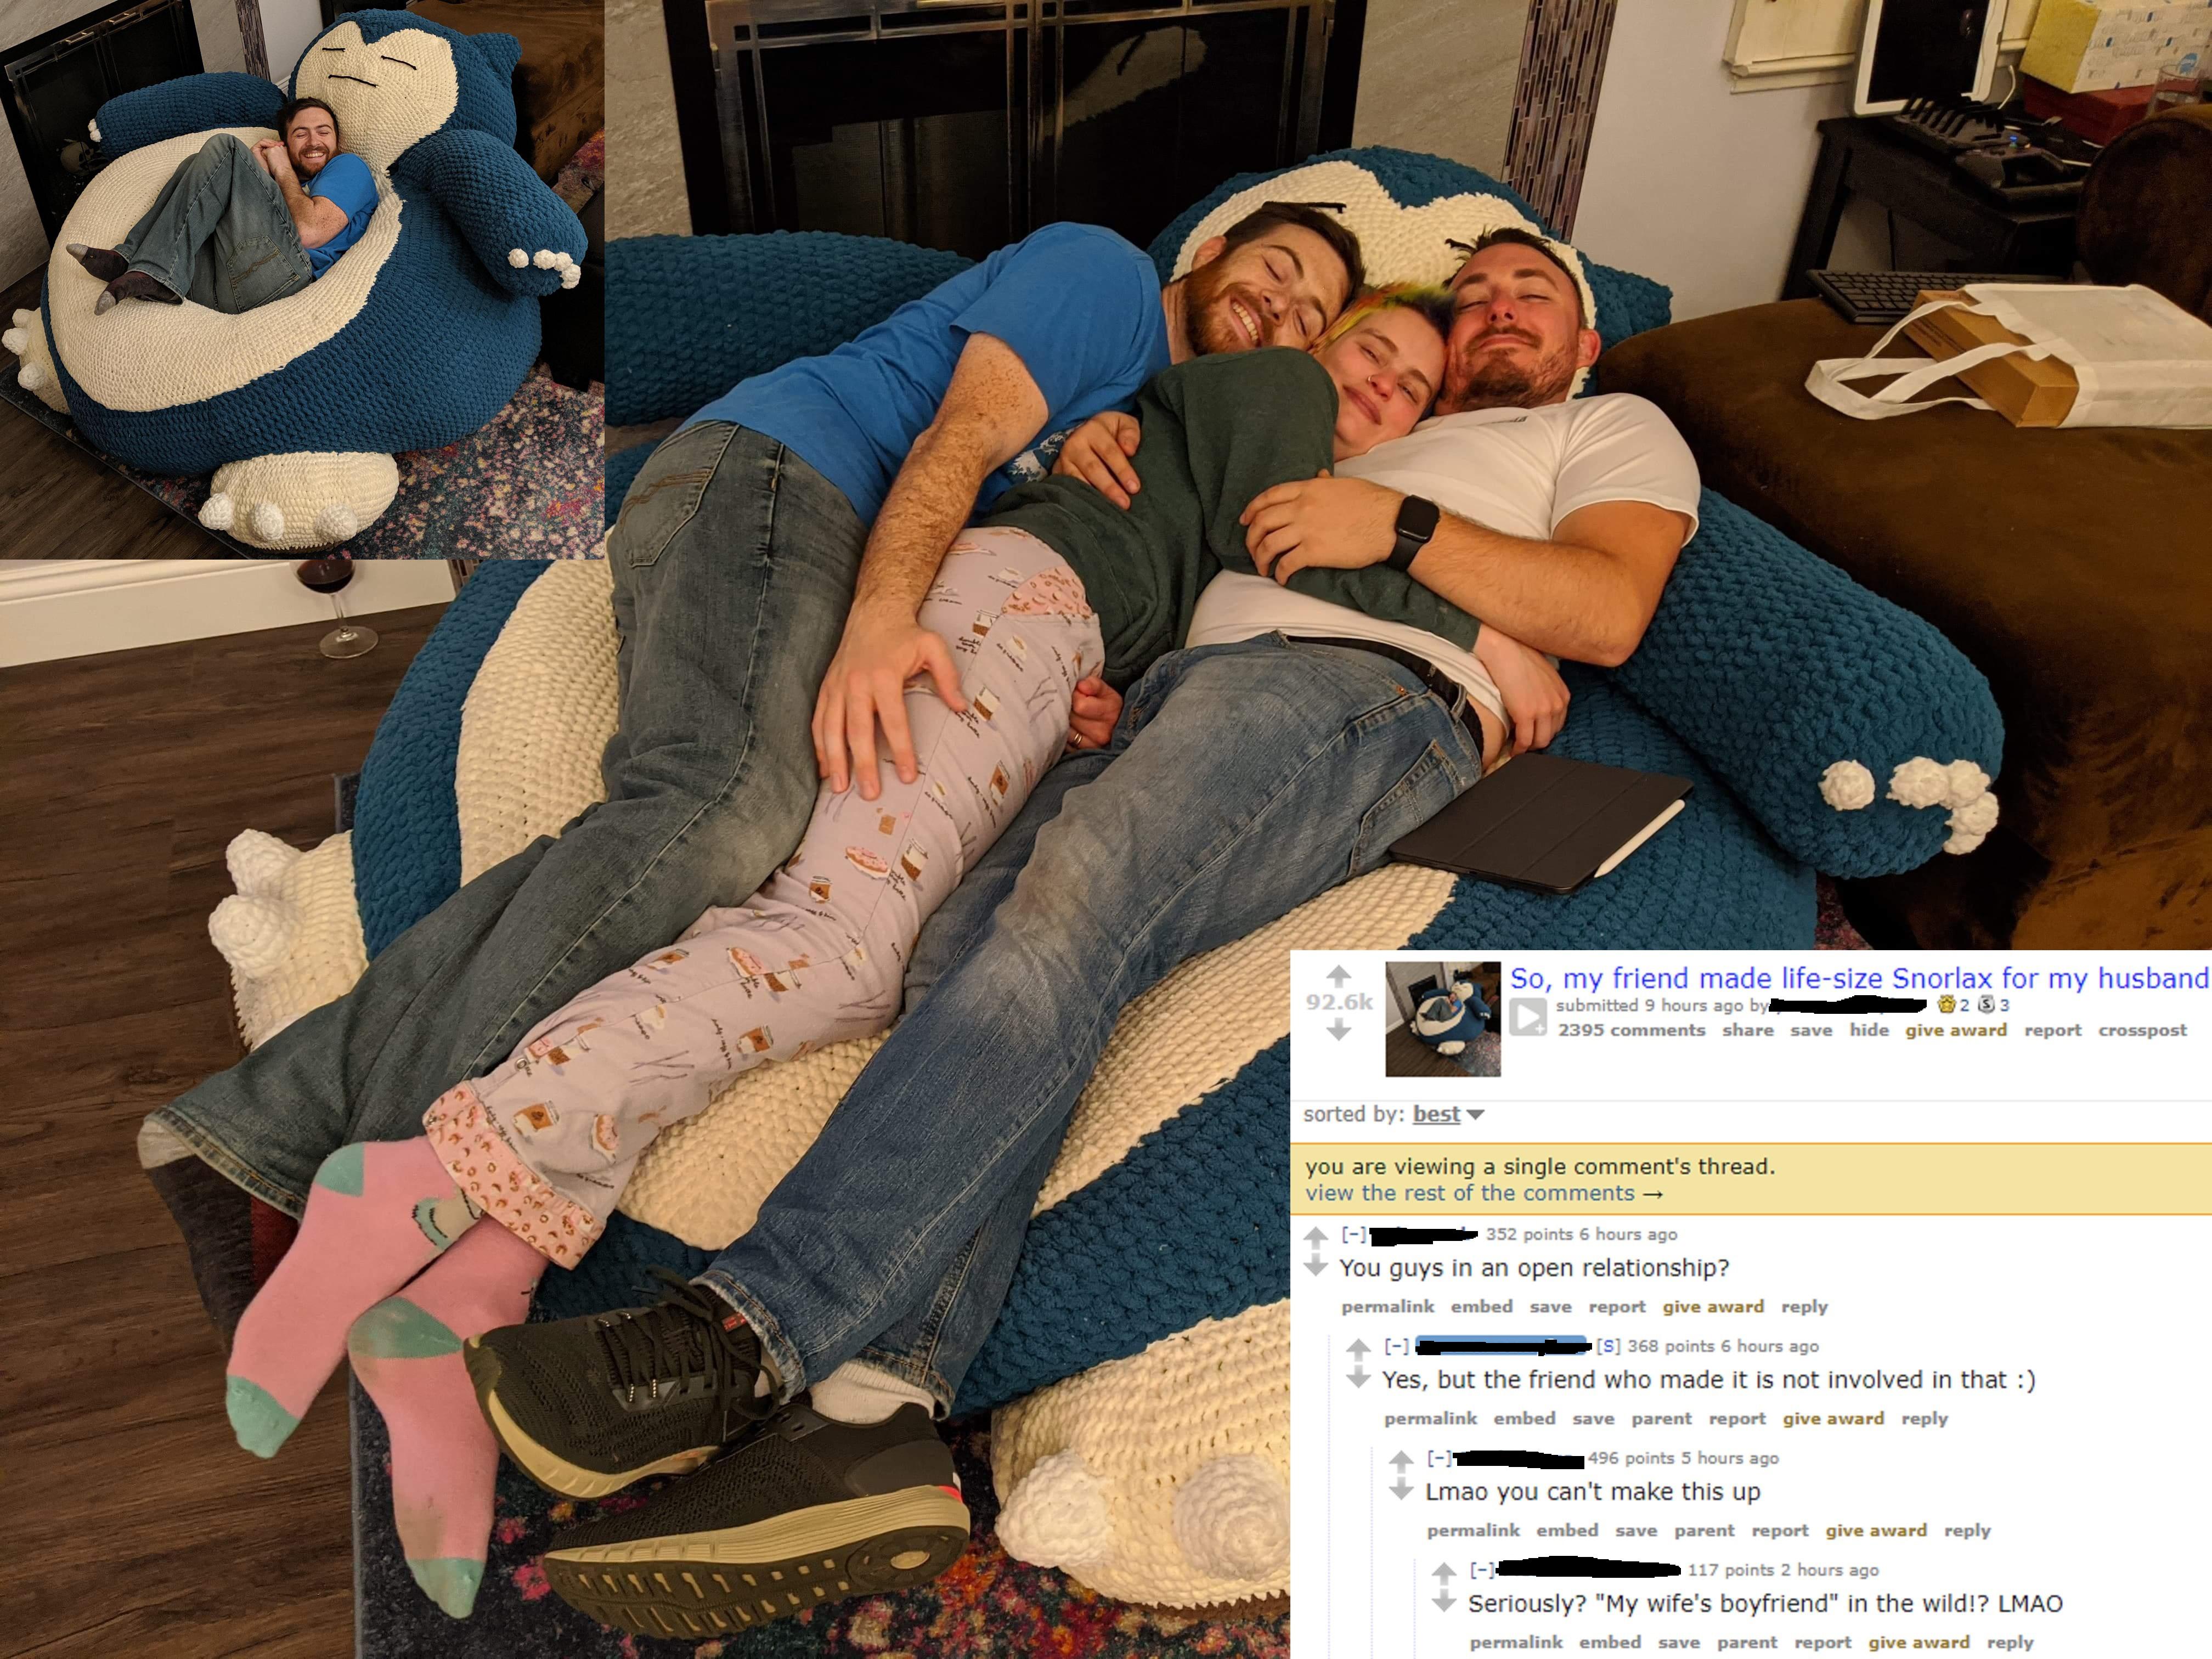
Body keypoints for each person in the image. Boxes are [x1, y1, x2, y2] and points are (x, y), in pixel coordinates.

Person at [460, 226, 1700, 1633]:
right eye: (1464, 296)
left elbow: (1607, 609)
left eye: (1528, 292)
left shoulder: (1603, 429)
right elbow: (1190, 506)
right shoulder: (1348, 430)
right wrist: (1105, 455)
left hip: (1347, 692)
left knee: (1080, 898)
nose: (1491, 311)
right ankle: (876, 1425)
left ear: (1586, 339)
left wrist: (1411, 546)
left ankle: (749, 1327)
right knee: (960, 952)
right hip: (1182, 693)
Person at [219, 291, 1468, 1623]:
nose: (1379, 385)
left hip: (1047, 641)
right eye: (1366, 345)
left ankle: (486, 1281)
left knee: (871, 943)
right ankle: (437, 1176)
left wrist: (1109, 673)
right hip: (1017, 610)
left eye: (1413, 384)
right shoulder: (1275, 399)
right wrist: (1473, 614)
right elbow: (1313, 566)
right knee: (834, 942)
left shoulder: (1173, 460)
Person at [138, 199, 1363, 1345]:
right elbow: (957, 437)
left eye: (1314, 314)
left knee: (709, 816)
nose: (1285, 310)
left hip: (816, 520)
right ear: (1209, 252)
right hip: (787, 480)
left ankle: (281, 1131)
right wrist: (882, 619)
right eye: (1279, 269)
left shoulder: (1141, 410)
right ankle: (320, 1155)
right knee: (723, 809)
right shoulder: (1106, 277)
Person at [66, 97, 377, 314]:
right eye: (301, 134)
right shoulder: (283, 183)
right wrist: (258, 173)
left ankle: (153, 270)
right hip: (221, 287)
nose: (314, 142)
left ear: (338, 140)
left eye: (324, 132)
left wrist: (280, 169)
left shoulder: (348, 166)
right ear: (284, 143)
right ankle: (132, 259)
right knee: (196, 163)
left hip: (286, 277)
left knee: (225, 147)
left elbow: (309, 232)